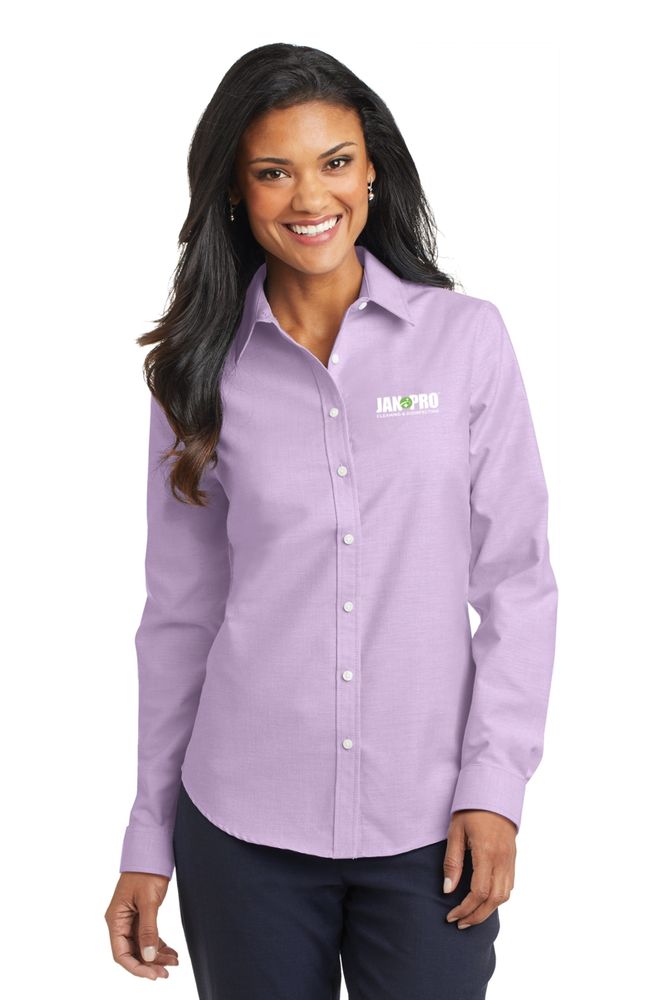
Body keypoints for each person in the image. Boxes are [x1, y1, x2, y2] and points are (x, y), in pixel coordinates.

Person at [104, 42, 558, 1000]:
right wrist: (147, 835)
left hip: (431, 824)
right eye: (273, 171)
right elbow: (181, 615)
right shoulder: (195, 372)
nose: (310, 197)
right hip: (241, 826)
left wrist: (495, 790)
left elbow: (517, 582)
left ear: (373, 170)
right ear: (235, 192)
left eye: (335, 161)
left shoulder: (464, 339)